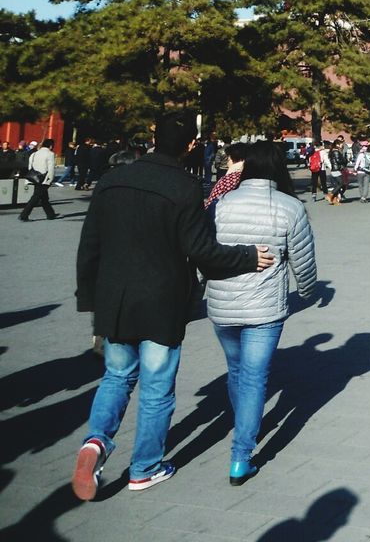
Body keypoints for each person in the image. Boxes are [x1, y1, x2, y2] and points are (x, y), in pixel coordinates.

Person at [71, 111, 274, 500]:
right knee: (157, 388)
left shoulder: (112, 181)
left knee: (116, 377)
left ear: (151, 136)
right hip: (161, 302)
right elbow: (202, 251)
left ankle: (95, 442)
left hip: (115, 300)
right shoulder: (183, 186)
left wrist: (90, 300)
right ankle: (144, 468)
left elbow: (89, 246)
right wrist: (249, 257)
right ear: (191, 145)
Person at [205, 140, 317, 484]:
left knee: (236, 371)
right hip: (265, 306)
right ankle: (241, 456)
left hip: (222, 303)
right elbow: (303, 259)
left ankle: (244, 424)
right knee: (254, 377)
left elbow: (204, 249)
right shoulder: (290, 207)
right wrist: (308, 290)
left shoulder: (221, 203)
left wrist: (201, 282)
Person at [18, 138, 58, 221]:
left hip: (35, 177)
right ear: (50, 146)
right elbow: (51, 169)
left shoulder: (35, 153)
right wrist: (50, 180)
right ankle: (24, 214)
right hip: (44, 178)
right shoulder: (50, 154)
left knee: (44, 197)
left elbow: (30, 166)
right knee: (36, 197)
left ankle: (51, 214)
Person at [204, 142, 249, 209]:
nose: (228, 162)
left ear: (232, 159)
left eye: (229, 158)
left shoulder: (227, 181)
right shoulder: (251, 177)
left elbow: (211, 203)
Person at [326, 140, 347, 205]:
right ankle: (330, 195)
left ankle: (335, 200)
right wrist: (344, 160)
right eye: (341, 144)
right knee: (341, 184)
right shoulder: (336, 152)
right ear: (337, 145)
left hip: (335, 169)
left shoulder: (333, 151)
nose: (342, 145)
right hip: (336, 169)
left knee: (338, 185)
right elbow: (338, 160)